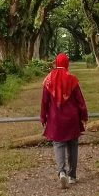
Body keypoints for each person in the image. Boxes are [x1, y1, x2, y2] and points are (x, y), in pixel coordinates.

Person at [40, 53, 88, 189]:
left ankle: (62, 172)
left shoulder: (48, 79)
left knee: (58, 144)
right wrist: (84, 116)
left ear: (56, 63)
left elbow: (44, 101)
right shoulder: (72, 79)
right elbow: (80, 101)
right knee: (73, 145)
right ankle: (72, 176)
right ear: (67, 63)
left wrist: (43, 117)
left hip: (56, 120)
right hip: (72, 119)